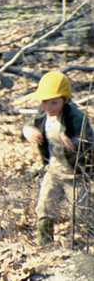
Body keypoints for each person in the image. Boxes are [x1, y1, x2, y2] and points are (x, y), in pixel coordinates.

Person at [22, 71, 93, 245]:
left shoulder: (75, 117)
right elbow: (29, 125)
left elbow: (90, 141)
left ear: (65, 100)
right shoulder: (42, 115)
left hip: (76, 174)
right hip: (53, 171)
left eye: (54, 102)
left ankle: (86, 247)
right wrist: (27, 131)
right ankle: (44, 245)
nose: (49, 107)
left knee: (80, 213)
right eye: (45, 102)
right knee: (45, 208)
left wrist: (75, 143)